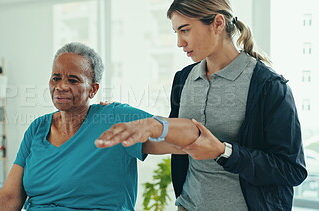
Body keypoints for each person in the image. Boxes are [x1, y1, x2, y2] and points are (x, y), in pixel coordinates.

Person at [96, 0, 307, 210]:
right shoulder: (184, 78)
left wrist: (223, 151)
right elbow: (181, 136)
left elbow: (291, 169)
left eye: (185, 30)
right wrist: (120, 115)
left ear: (217, 23)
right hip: (188, 205)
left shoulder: (267, 85)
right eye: (176, 32)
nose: (179, 42)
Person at [0, 42, 198, 211]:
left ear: (93, 89)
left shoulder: (115, 117)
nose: (61, 86)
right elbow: (10, 196)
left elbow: (182, 141)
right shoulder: (38, 128)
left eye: (73, 80)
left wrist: (155, 126)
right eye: (56, 78)